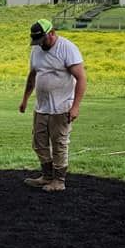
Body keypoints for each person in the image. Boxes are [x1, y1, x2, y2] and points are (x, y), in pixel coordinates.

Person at [19, 18, 87, 192]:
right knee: (39, 143)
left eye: (42, 40)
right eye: (37, 41)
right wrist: (25, 99)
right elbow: (32, 76)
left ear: (52, 33)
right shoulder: (36, 50)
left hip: (61, 107)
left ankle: (59, 180)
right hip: (41, 107)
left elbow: (81, 78)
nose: (40, 44)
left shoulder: (67, 49)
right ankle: (47, 176)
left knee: (59, 144)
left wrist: (76, 106)